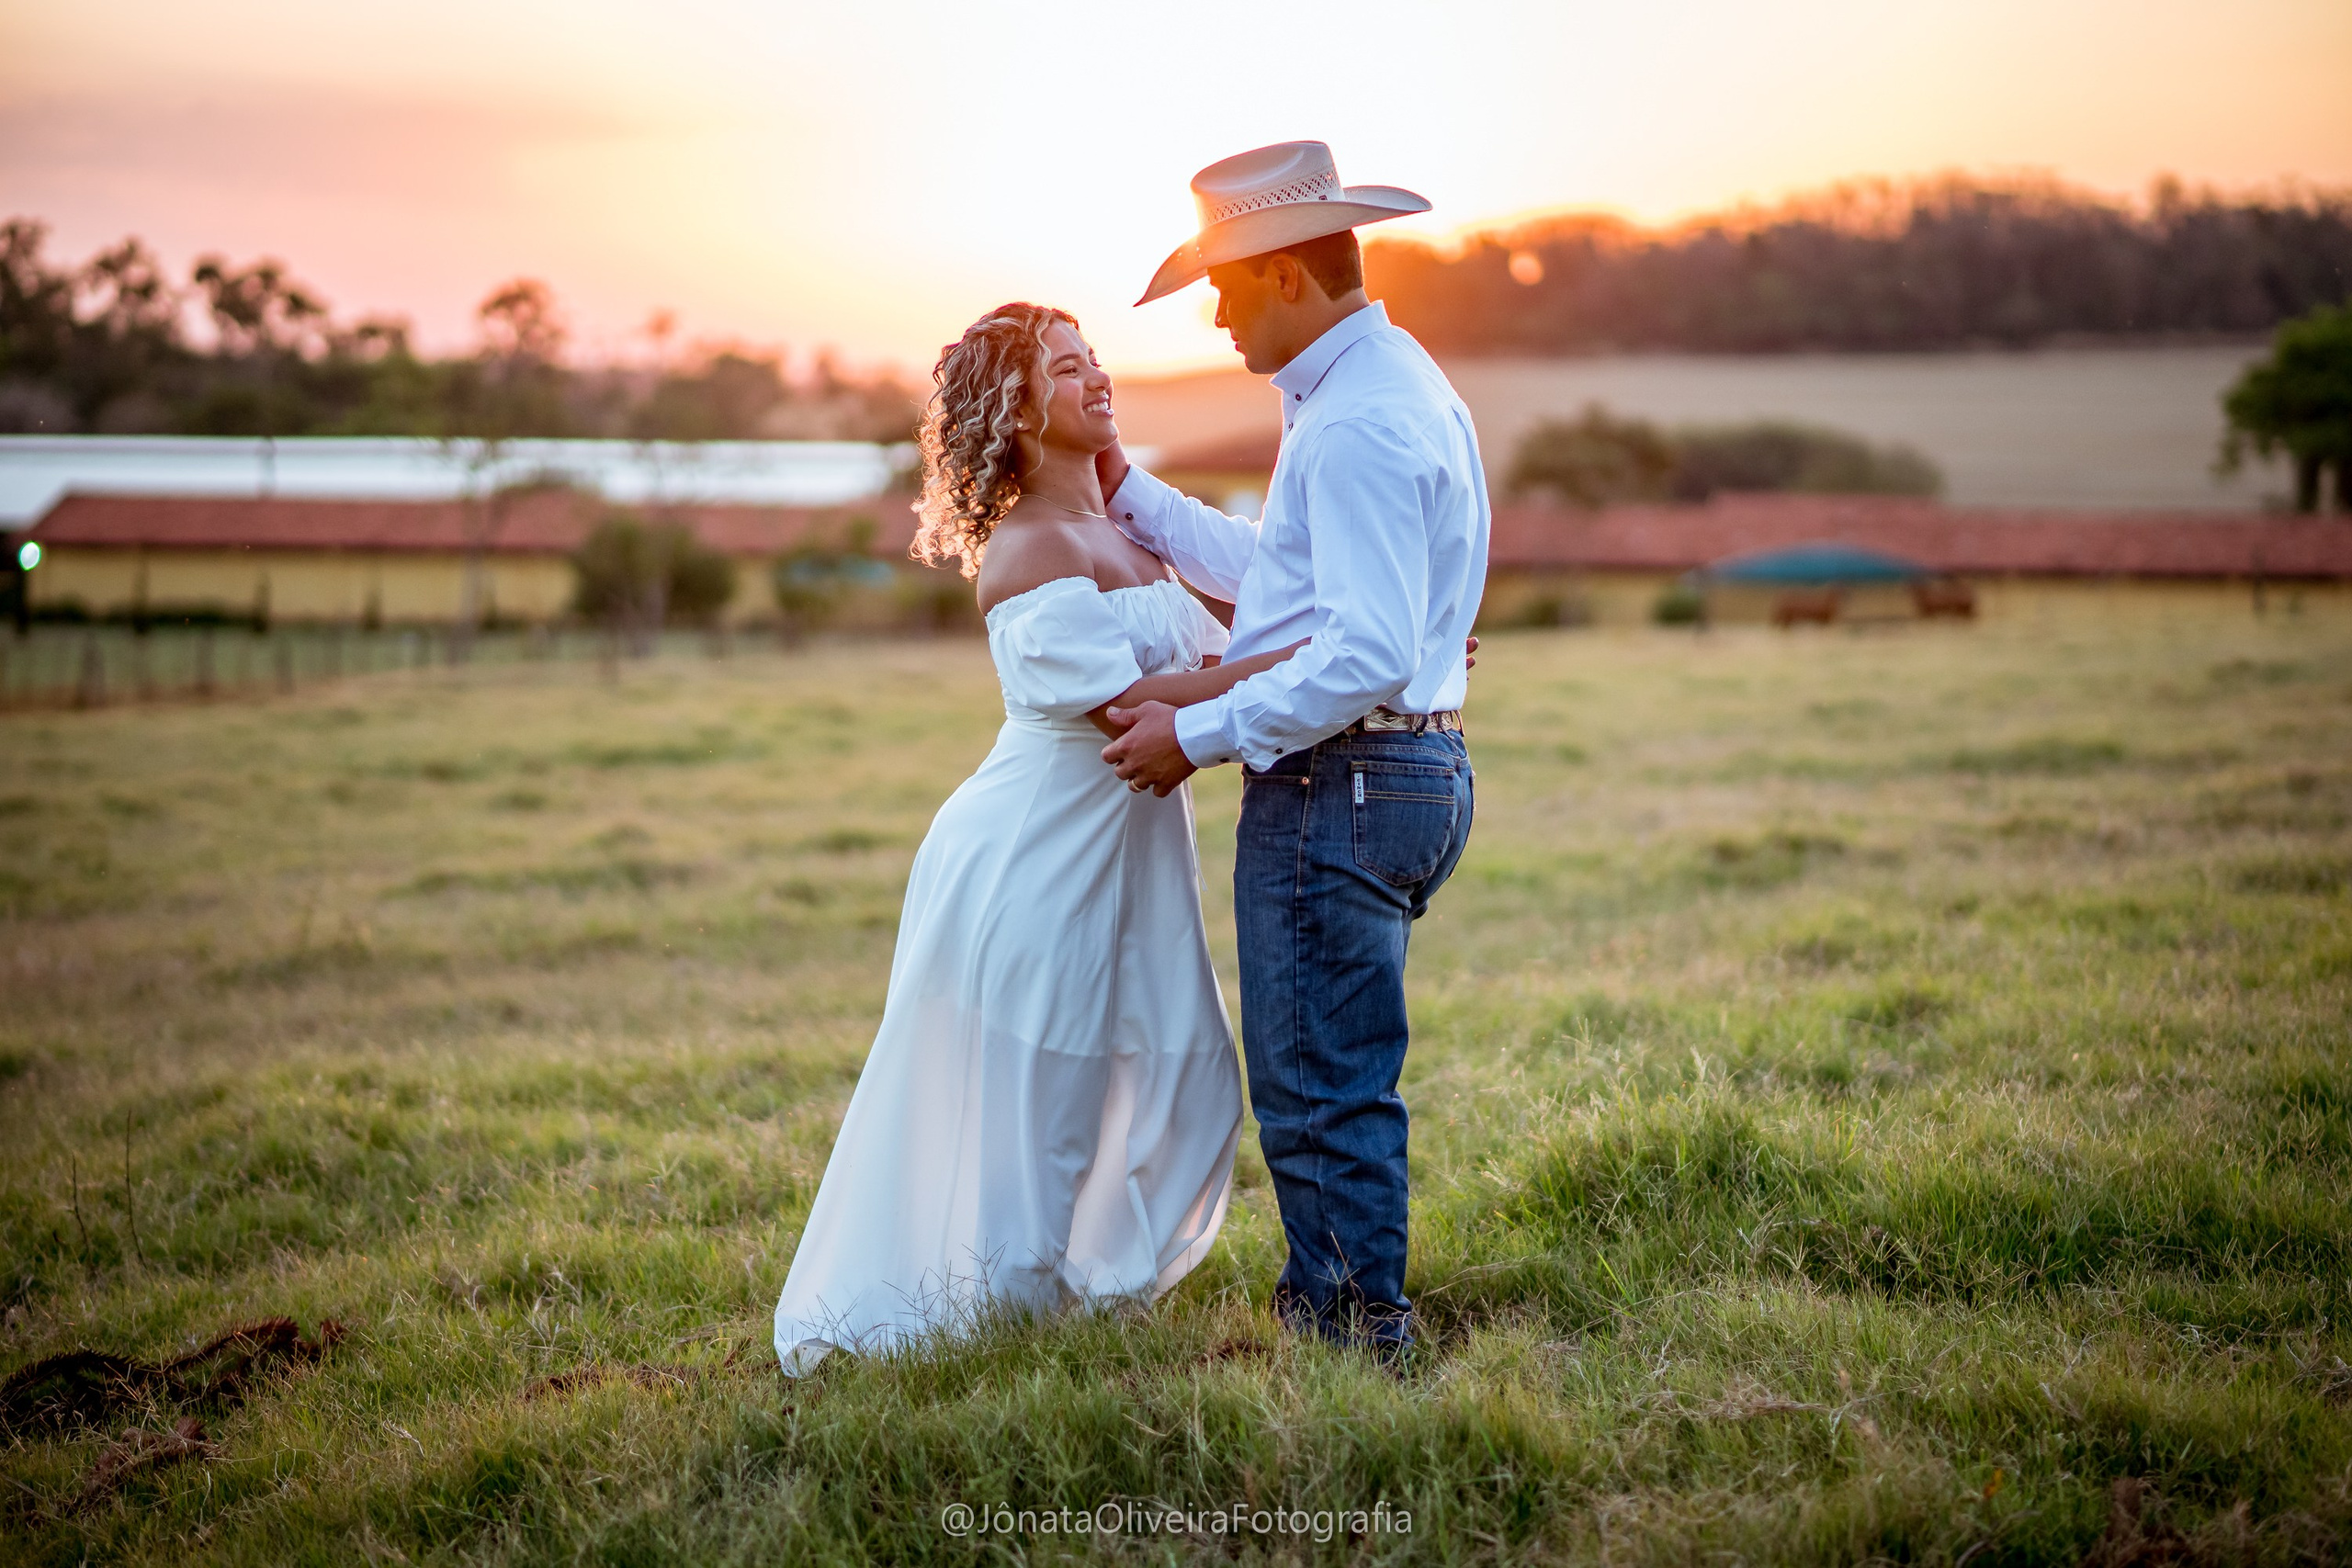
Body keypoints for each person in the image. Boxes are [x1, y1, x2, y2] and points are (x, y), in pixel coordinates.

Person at [772, 303, 1306, 1373]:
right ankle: (1008, 1326)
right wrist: (1337, 653)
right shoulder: (1025, 549)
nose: (1095, 378)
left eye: (1094, 358)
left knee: (1180, 1071)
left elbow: (1234, 645)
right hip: (1035, 855)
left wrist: (1387, 641)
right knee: (1046, 1089)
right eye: (1066, 369)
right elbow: (1137, 700)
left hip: (1132, 858)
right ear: (1016, 413)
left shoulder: (1123, 536)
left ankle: (1082, 1293)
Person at [1099, 141, 1490, 1364]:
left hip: (1346, 775)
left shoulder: (1362, 420)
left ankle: (1360, 1341)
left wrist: (1200, 733)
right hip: (1400, 771)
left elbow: (1363, 647)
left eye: (1222, 285)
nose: (1213, 314)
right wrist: (1129, 491)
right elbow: (1290, 588)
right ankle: (1330, 1313)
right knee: (1328, 1074)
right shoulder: (1378, 385)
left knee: (1320, 1088)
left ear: (1280, 276)